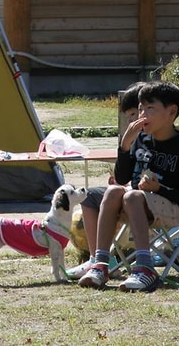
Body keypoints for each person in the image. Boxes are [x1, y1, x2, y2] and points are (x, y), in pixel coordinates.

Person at [78, 81, 179, 292]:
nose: (142, 114)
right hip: (138, 205)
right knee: (115, 190)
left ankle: (145, 268)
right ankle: (100, 264)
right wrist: (125, 145)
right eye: (141, 108)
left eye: (150, 109)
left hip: (175, 210)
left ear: (171, 112)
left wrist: (158, 188)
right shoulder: (140, 139)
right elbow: (121, 177)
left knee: (132, 196)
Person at [65, 81, 145, 280]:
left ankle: (132, 263)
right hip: (129, 190)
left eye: (137, 113)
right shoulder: (131, 139)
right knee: (89, 196)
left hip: (147, 196)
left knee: (123, 195)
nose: (132, 120)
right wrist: (119, 181)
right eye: (129, 116)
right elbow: (123, 175)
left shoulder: (159, 139)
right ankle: (98, 260)